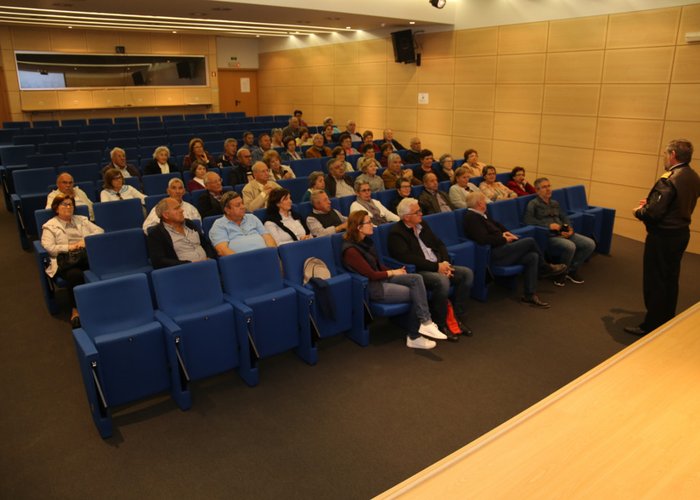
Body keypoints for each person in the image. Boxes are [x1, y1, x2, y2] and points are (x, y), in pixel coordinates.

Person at [342, 210, 448, 350]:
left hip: (383, 280)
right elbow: (372, 275)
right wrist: (393, 272)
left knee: (416, 279)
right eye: (368, 223)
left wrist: (397, 272)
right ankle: (414, 336)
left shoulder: (367, 241)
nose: (372, 225)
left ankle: (426, 323)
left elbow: (379, 265)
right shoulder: (350, 251)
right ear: (358, 227)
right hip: (374, 287)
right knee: (415, 294)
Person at [626, 139, 700, 336]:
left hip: (663, 237)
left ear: (673, 155)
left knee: (655, 280)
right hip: (681, 233)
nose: (664, 159)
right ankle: (667, 317)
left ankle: (651, 324)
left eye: (665, 155)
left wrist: (640, 211)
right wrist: (650, 203)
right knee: (670, 278)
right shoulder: (694, 176)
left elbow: (653, 214)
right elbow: (675, 204)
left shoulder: (669, 179)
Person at [388, 197, 473, 339]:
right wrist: (437, 267)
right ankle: (441, 324)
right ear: (407, 217)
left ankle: (457, 317)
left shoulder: (423, 224)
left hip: (439, 265)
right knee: (442, 282)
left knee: (467, 274)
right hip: (421, 271)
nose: (421, 213)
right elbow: (408, 259)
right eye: (417, 212)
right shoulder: (396, 233)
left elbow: (439, 244)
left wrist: (445, 262)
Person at [463, 192, 567, 308]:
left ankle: (529, 296)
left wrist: (506, 233)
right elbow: (482, 239)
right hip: (494, 254)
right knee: (530, 241)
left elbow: (498, 226)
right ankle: (545, 268)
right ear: (479, 203)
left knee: (533, 256)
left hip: (503, 249)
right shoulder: (471, 217)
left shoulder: (482, 214)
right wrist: (503, 239)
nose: (486, 202)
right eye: (484, 200)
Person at [41, 194, 104, 327]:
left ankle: (102, 303)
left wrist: (84, 242)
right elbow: (50, 248)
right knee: (75, 275)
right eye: (65, 204)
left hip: (85, 255)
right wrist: (70, 247)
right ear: (56, 208)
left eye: (71, 204)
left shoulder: (82, 219)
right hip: (66, 261)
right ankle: (76, 310)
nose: (69, 207)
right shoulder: (50, 226)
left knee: (102, 266)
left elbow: (100, 231)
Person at [524, 177, 596, 286]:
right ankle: (560, 274)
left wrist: (570, 229)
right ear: (537, 190)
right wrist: (548, 225)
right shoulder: (533, 203)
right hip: (549, 236)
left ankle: (571, 270)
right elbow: (528, 220)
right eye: (544, 187)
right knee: (570, 246)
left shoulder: (555, 203)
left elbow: (564, 217)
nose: (548, 189)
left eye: (549, 186)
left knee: (590, 244)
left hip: (563, 233)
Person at [146, 197, 215, 269]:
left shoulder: (189, 223)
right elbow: (159, 261)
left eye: (180, 207)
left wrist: (210, 257)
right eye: (177, 208)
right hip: (183, 271)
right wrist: (189, 264)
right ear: (166, 215)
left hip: (208, 265)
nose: (182, 210)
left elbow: (205, 244)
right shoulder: (156, 233)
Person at [209, 191, 276, 256]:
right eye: (238, 205)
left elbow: (268, 237)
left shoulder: (252, 217)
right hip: (241, 262)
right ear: (227, 210)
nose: (243, 207)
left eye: (242, 203)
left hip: (265, 257)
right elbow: (222, 250)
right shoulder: (219, 225)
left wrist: (271, 254)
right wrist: (241, 261)